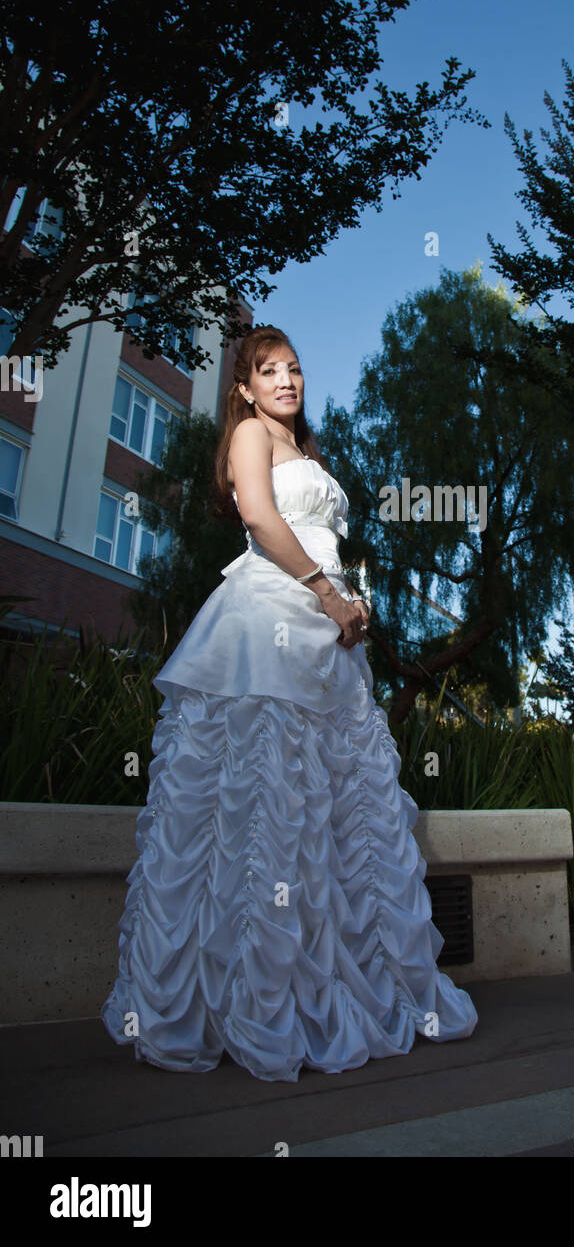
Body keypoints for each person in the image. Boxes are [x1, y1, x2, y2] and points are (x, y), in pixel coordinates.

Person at [101, 325, 478, 1081]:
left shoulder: (312, 454)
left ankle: (331, 983)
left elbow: (318, 531)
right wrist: (326, 592)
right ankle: (247, 1000)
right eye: (268, 371)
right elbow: (261, 520)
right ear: (243, 387)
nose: (286, 381)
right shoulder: (247, 435)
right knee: (262, 806)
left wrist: (344, 602)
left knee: (331, 817)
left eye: (295, 370)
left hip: (327, 635)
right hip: (270, 622)